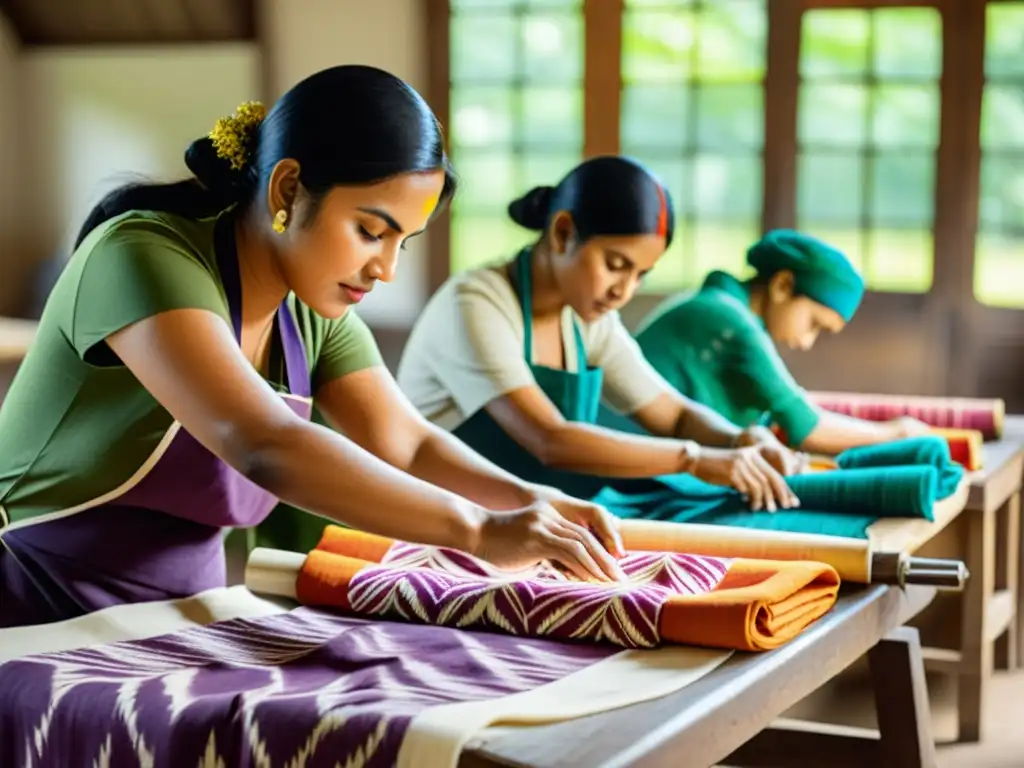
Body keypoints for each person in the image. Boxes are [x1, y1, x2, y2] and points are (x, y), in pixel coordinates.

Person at [0, 65, 626, 630]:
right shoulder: (140, 255)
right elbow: (265, 444)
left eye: (400, 242)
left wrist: (532, 501)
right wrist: (480, 530)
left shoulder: (308, 311)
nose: (384, 269)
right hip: (36, 608)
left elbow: (407, 442)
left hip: (179, 616)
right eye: (370, 231)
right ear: (288, 188)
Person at [396, 156, 805, 520]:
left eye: (640, 275)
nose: (623, 291)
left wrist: (741, 437)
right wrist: (695, 459)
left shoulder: (586, 318)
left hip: (527, 515)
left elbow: (674, 415)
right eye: (615, 264)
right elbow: (549, 440)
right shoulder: (477, 303)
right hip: (443, 520)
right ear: (562, 233)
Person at [633, 229, 931, 455]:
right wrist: (896, 434)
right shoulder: (729, 320)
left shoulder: (718, 305)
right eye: (814, 324)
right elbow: (807, 427)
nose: (806, 342)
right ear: (783, 285)